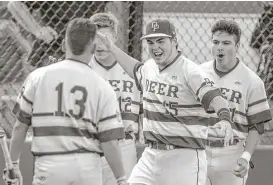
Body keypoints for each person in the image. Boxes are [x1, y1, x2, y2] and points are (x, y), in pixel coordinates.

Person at [97, 18, 234, 185]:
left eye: (161, 41)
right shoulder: (149, 68)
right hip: (150, 156)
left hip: (184, 158)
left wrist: (225, 120)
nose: (155, 47)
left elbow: (216, 98)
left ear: (174, 41)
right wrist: (111, 47)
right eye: (150, 42)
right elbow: (134, 68)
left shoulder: (190, 71)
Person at [3, 18, 127, 185]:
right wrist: (121, 179)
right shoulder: (102, 86)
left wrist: (14, 165)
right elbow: (110, 142)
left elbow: (20, 126)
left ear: (63, 45)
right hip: (87, 167)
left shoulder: (37, 77)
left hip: (49, 164)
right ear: (93, 48)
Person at [201, 20, 272, 185]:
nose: (220, 47)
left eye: (226, 43)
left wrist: (246, 157)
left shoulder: (252, 81)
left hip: (231, 153)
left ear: (237, 46)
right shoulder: (198, 73)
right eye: (216, 42)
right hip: (199, 149)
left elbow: (257, 125)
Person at [89, 12, 142, 185]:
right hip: (90, 144)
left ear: (116, 37)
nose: (99, 45)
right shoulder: (83, 68)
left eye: (104, 38)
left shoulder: (132, 69)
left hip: (123, 144)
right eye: (94, 37)